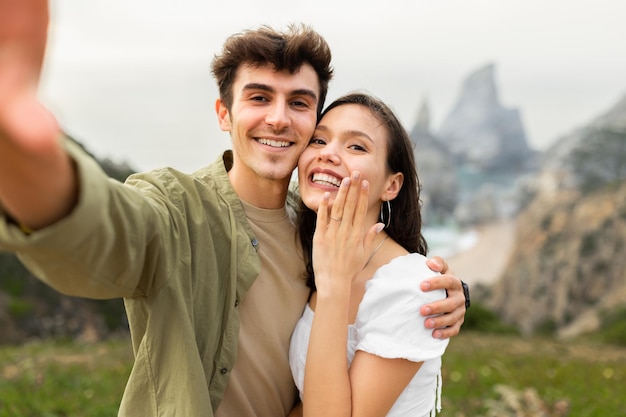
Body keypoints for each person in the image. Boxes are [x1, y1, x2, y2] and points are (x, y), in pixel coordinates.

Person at [0, 1, 468, 416]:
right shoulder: (177, 210)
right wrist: (25, 164)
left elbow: (383, 295)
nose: (279, 118)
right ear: (224, 114)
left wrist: (449, 291)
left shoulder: (315, 229)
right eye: (259, 97)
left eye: (300, 104)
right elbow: (106, 233)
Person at [289, 93, 448, 417]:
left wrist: (334, 286)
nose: (328, 154)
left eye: (356, 146)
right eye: (319, 140)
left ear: (392, 185)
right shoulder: (307, 249)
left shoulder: (410, 288)